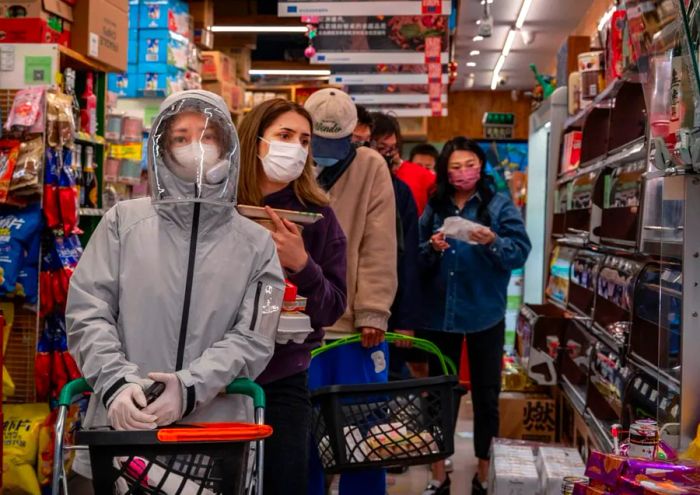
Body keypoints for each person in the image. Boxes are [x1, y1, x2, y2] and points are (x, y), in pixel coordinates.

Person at [65, 90, 285, 493]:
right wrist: (117, 384)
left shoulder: (259, 245)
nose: (195, 147)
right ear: (162, 150)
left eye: (206, 135)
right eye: (181, 138)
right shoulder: (121, 223)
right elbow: (87, 310)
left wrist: (190, 387)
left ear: (226, 145)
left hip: (218, 439)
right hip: (121, 432)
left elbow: (256, 335)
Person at [237, 98, 348, 495]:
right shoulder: (216, 204)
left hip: (282, 377)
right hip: (208, 378)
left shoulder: (317, 216)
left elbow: (333, 306)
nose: (295, 148)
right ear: (255, 140)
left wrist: (302, 263)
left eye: (304, 140)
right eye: (284, 136)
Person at [418, 137, 531, 495]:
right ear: (445, 171)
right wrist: (432, 248)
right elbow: (417, 257)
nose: (463, 172)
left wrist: (491, 240)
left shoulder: (498, 206)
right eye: (455, 166)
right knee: (440, 395)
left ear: (481, 166)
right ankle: (439, 474)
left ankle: (484, 473)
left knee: (486, 395)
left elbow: (519, 253)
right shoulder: (434, 207)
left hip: (486, 313)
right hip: (441, 315)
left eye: (469, 164)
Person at [305, 88, 397, 495]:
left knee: (363, 438)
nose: (321, 151)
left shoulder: (370, 166)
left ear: (354, 136)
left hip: (353, 330)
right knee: (302, 438)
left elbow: (379, 244)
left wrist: (374, 311)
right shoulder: (290, 162)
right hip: (297, 329)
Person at [370, 112, 435, 215]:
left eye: (392, 148)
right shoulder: (354, 178)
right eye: (381, 148)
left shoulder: (408, 183)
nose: (388, 154)